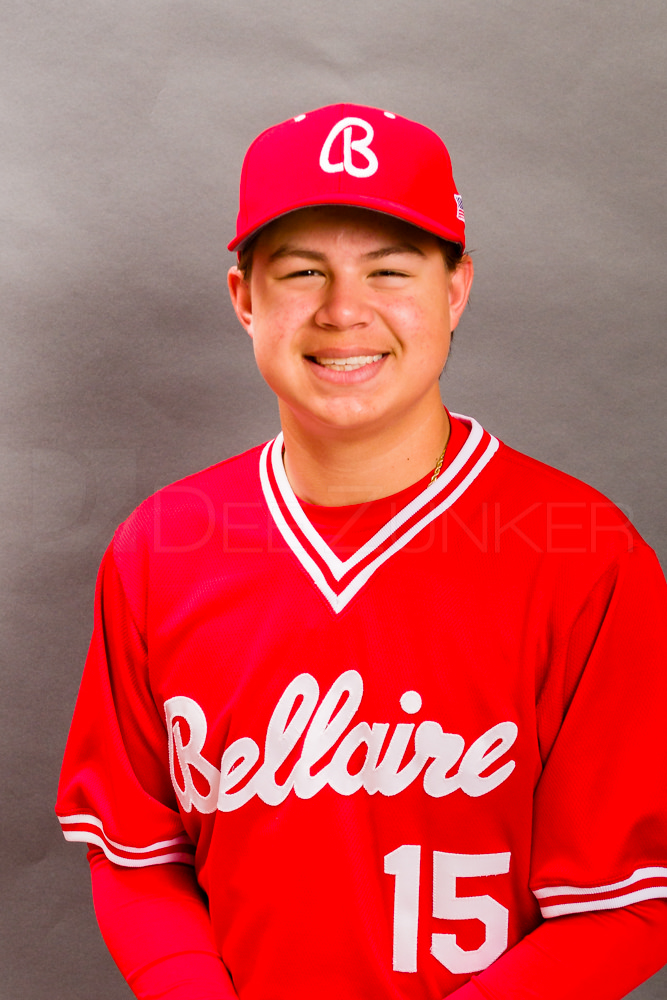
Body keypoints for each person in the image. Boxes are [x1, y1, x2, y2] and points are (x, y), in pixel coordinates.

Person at [56, 103, 667, 1000]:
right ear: (244, 299)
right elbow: (138, 854)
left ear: (455, 289)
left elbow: (626, 904)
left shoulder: (580, 552)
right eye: (302, 272)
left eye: (389, 270)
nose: (344, 311)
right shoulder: (162, 546)